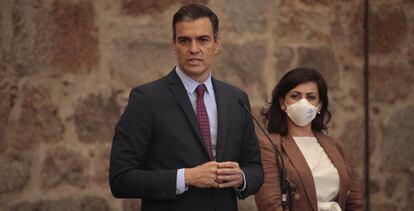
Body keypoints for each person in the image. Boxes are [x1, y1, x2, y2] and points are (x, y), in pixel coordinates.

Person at [109, 3, 263, 211]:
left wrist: (241, 177)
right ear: (174, 44)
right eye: (184, 40)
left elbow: (255, 168)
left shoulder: (236, 99)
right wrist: (186, 177)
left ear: (217, 44)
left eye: (203, 40)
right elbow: (121, 179)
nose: (193, 49)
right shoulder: (146, 99)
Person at [254, 67, 363, 211]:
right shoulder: (269, 146)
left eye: (310, 97)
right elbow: (270, 205)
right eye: (295, 96)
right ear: (282, 102)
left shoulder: (336, 146)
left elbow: (354, 202)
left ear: (319, 106)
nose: (303, 103)